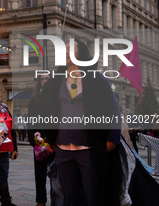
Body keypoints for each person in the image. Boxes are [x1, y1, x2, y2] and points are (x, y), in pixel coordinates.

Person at [38, 39, 123, 206]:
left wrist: (113, 139)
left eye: (70, 48)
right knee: (69, 198)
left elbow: (114, 110)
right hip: (63, 149)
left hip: (89, 148)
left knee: (94, 197)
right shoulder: (55, 81)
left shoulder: (97, 80)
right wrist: (48, 137)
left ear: (81, 52)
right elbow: (45, 109)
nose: (66, 51)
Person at [28, 74, 53, 206]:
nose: (44, 81)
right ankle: (41, 200)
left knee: (56, 174)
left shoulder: (56, 98)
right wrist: (39, 141)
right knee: (40, 173)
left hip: (54, 143)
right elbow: (31, 123)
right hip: (40, 143)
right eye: (42, 79)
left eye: (47, 79)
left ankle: (57, 199)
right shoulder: (34, 100)